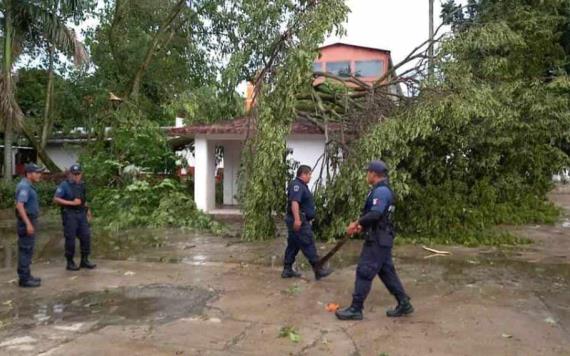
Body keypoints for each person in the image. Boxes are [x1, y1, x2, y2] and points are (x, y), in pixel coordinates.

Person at [336, 160, 413, 320]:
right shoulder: (381, 190)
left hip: (378, 240)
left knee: (364, 271)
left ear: (373, 174)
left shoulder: (381, 192)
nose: (366, 175)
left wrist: (357, 223)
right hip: (381, 237)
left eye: (368, 172)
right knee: (387, 273)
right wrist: (362, 227)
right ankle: (404, 303)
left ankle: (356, 309)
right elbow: (378, 217)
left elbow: (376, 214)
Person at [282, 165, 332, 280]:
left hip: (298, 219)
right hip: (299, 220)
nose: (310, 177)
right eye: (309, 174)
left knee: (293, 244)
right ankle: (318, 269)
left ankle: (287, 269)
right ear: (303, 174)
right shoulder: (297, 185)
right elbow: (295, 202)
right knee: (308, 242)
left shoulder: (301, 185)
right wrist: (297, 219)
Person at [53, 164, 96, 271]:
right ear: (70, 174)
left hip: (81, 214)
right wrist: (71, 203)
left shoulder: (82, 185)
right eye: (74, 174)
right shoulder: (64, 185)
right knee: (70, 238)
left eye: (78, 174)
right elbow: (56, 199)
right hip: (70, 214)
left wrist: (89, 212)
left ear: (81, 174)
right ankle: (70, 261)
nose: (76, 176)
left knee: (86, 236)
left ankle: (84, 260)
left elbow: (84, 200)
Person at [15, 163, 45, 288]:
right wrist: (28, 224)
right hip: (26, 221)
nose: (39, 175)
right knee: (25, 250)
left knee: (28, 249)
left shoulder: (28, 185)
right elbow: (19, 205)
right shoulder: (24, 186)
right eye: (37, 172)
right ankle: (24, 279)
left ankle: (27, 275)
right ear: (29, 173)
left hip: (29, 219)